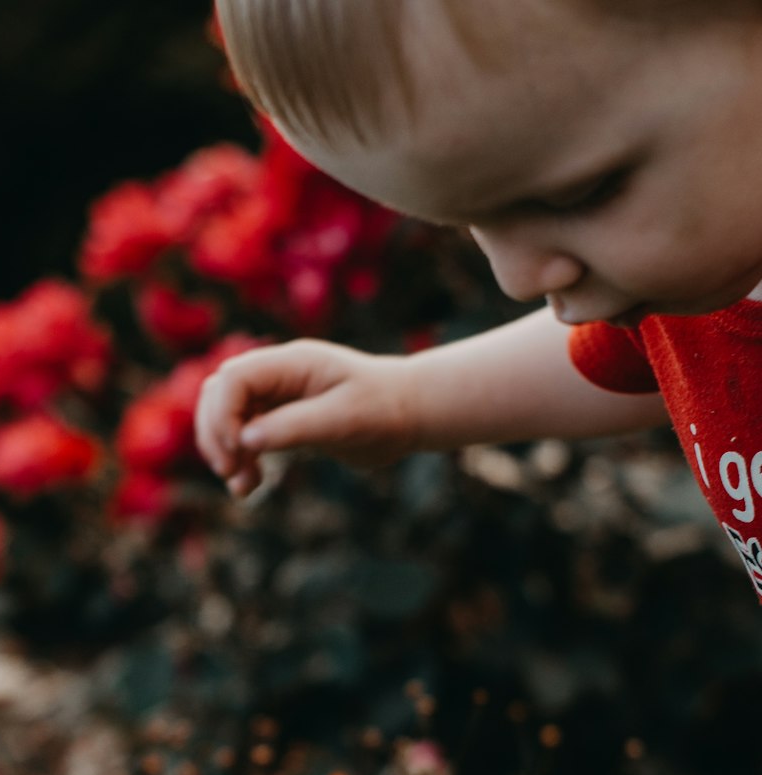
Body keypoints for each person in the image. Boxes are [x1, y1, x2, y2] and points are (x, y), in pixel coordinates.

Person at [194, 0, 762, 599]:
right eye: (466, 223)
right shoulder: (695, 282)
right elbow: (659, 358)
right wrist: (407, 399)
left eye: (580, 195)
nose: (516, 279)